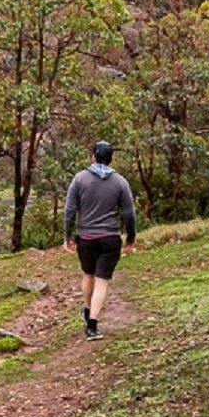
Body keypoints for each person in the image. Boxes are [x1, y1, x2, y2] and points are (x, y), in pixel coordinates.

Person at [61, 141, 136, 341]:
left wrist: (67, 236)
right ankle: (92, 325)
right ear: (111, 158)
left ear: (93, 157)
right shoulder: (120, 182)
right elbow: (129, 213)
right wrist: (131, 237)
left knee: (88, 275)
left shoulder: (79, 179)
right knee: (102, 281)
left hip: (86, 238)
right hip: (110, 238)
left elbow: (69, 211)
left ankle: (88, 313)